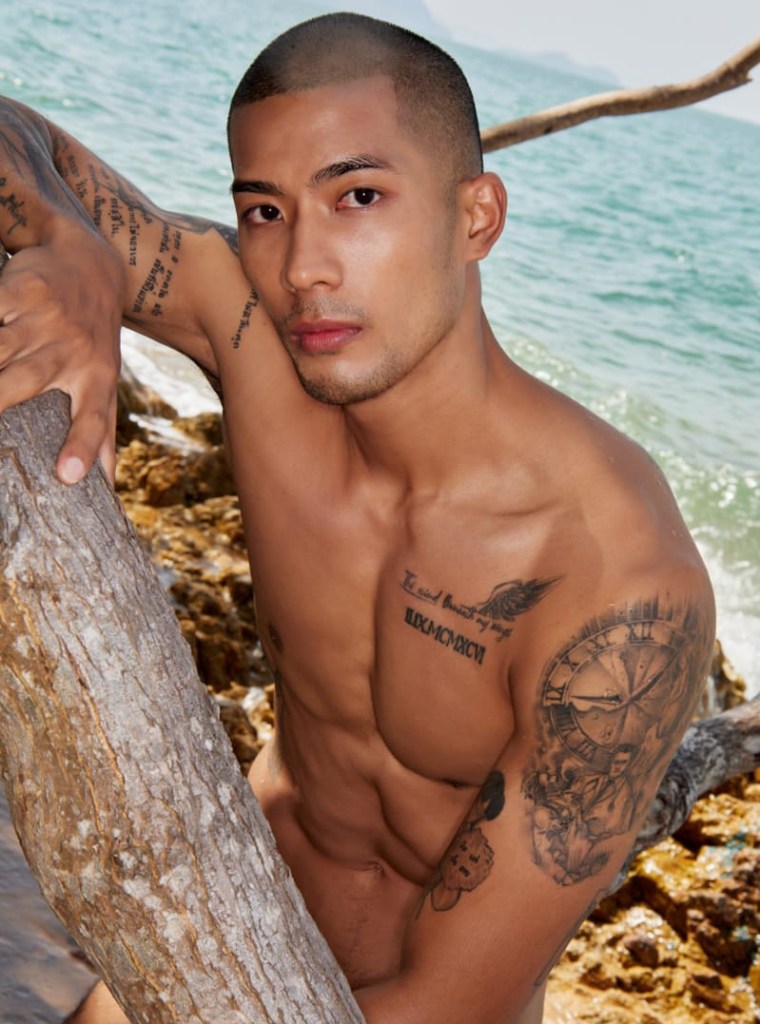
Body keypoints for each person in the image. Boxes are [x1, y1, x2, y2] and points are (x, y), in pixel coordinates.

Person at [0, 13, 714, 1024]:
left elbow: (447, 1001)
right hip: (210, 941)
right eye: (264, 210)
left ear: (476, 217)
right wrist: (71, 246)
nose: (303, 268)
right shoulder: (253, 342)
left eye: (359, 197)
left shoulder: (614, 581)